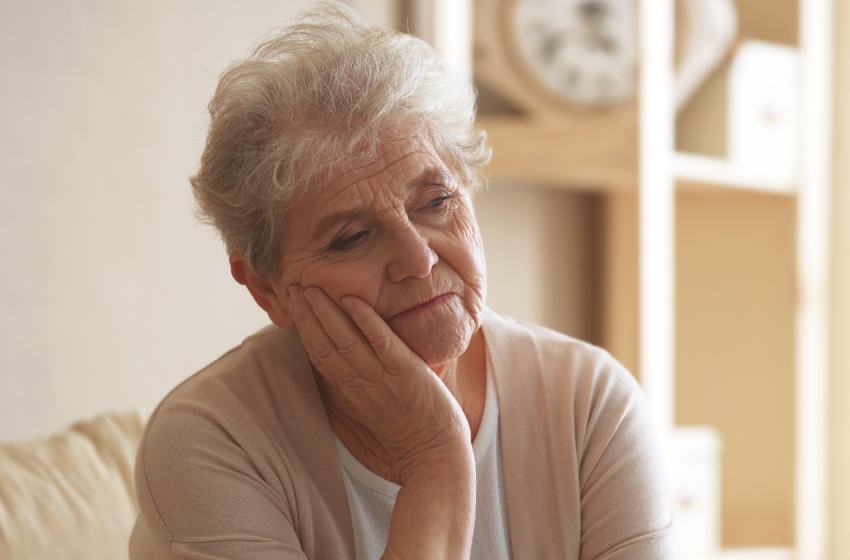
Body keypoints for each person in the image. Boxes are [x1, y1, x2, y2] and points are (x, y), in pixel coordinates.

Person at [129, 2, 678, 559]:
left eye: (436, 202)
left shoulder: (587, 405)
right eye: (351, 237)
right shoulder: (211, 443)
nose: (418, 259)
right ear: (266, 288)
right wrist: (435, 459)